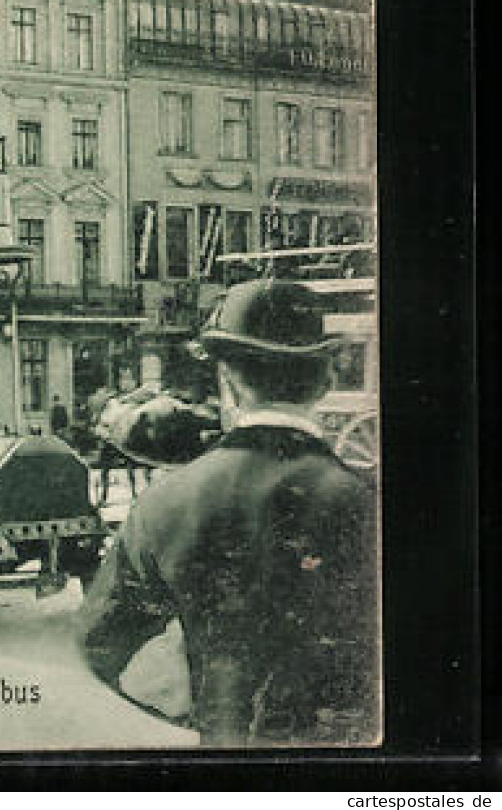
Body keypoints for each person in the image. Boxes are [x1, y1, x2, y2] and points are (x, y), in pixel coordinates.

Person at [77, 280, 379, 745]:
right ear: (325, 382)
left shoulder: (164, 502)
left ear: (229, 380)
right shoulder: (368, 502)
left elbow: (100, 646)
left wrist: (206, 701)